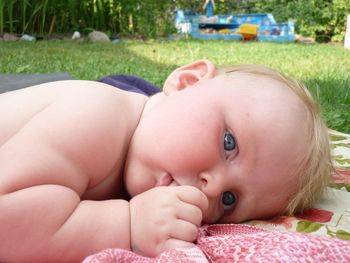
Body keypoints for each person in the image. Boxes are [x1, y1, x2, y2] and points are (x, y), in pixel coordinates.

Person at [0, 59, 332, 262]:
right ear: (187, 82)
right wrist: (126, 223)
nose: (211, 188)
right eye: (228, 143)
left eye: (230, 200)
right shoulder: (95, 116)